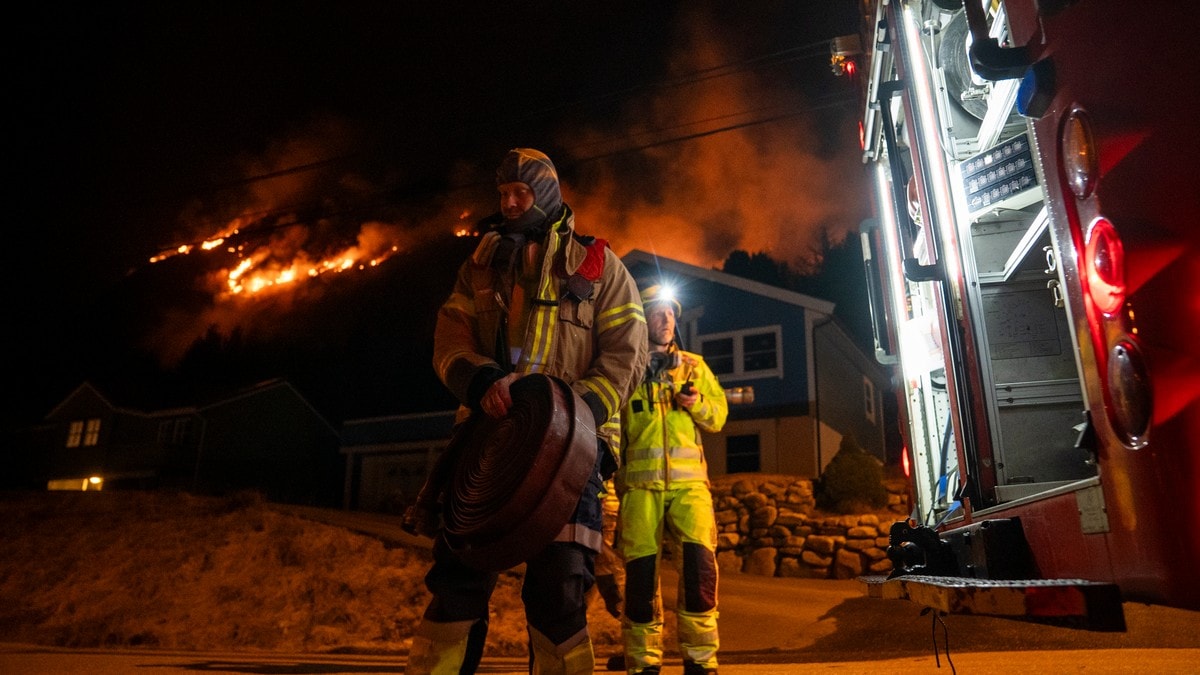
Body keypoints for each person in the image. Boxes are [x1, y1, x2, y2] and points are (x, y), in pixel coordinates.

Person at [406, 148, 649, 674]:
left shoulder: (600, 266)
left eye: (522, 192)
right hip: (487, 442)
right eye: (503, 194)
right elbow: (449, 341)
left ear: (548, 193)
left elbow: (627, 356)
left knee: (558, 590)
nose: (511, 204)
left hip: (574, 454)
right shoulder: (479, 265)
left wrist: (571, 418)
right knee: (456, 586)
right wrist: (483, 381)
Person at [616, 284, 728, 675]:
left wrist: (697, 404)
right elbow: (613, 432)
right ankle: (643, 664)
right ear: (640, 318)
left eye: (671, 314)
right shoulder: (623, 369)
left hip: (690, 489)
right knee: (640, 583)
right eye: (657, 313)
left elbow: (718, 417)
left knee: (700, 576)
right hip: (639, 491)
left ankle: (700, 662)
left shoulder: (694, 367)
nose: (666, 321)